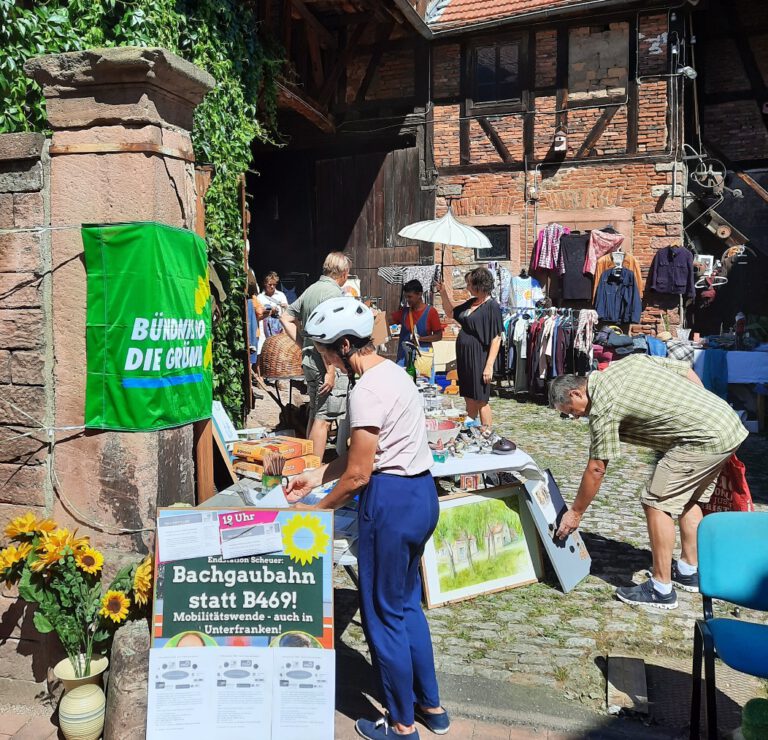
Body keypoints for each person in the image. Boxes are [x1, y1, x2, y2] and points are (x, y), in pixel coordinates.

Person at [285, 296, 449, 740]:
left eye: (322, 349)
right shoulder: (394, 372)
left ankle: (400, 723)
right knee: (406, 605)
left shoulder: (364, 391)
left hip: (391, 502)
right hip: (420, 494)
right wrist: (314, 474)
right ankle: (430, 707)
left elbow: (359, 475)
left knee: (382, 615)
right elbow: (365, 457)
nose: (320, 357)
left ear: (342, 345)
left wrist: (316, 510)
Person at [549, 355, 748, 609]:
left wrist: (575, 513)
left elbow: (597, 468)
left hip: (703, 439)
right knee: (688, 498)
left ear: (576, 393)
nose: (575, 418)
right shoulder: (629, 362)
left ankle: (661, 589)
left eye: (570, 412)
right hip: (725, 422)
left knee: (656, 501)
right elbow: (685, 370)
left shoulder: (603, 406)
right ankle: (688, 570)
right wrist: (703, 412)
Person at [281, 252, 352, 458]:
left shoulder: (312, 289)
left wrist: (304, 344)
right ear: (344, 272)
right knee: (324, 419)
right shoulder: (334, 295)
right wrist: (330, 370)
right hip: (324, 362)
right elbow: (328, 336)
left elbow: (285, 318)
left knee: (315, 413)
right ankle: (313, 472)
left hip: (310, 359)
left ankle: (308, 465)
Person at [437, 267, 503, 426]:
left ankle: (486, 434)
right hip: (465, 357)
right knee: (469, 397)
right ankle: (471, 431)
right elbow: (451, 313)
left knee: (481, 399)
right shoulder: (471, 302)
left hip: (479, 356)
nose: (467, 287)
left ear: (479, 285)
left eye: (469, 284)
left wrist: (489, 366)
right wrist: (443, 292)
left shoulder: (491, 306)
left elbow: (496, 338)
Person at [391, 280, 443, 381]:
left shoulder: (431, 312)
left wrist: (421, 339)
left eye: (410, 297)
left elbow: (438, 336)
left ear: (419, 294)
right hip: (403, 358)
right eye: (406, 297)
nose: (407, 300)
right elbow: (387, 320)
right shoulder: (404, 312)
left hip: (422, 358)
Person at [256, 271, 288, 351]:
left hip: (279, 329)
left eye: (274, 284)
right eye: (270, 284)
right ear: (265, 284)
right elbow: (258, 313)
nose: (272, 287)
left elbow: (287, 314)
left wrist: (286, 306)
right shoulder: (260, 297)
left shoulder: (281, 295)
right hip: (264, 331)